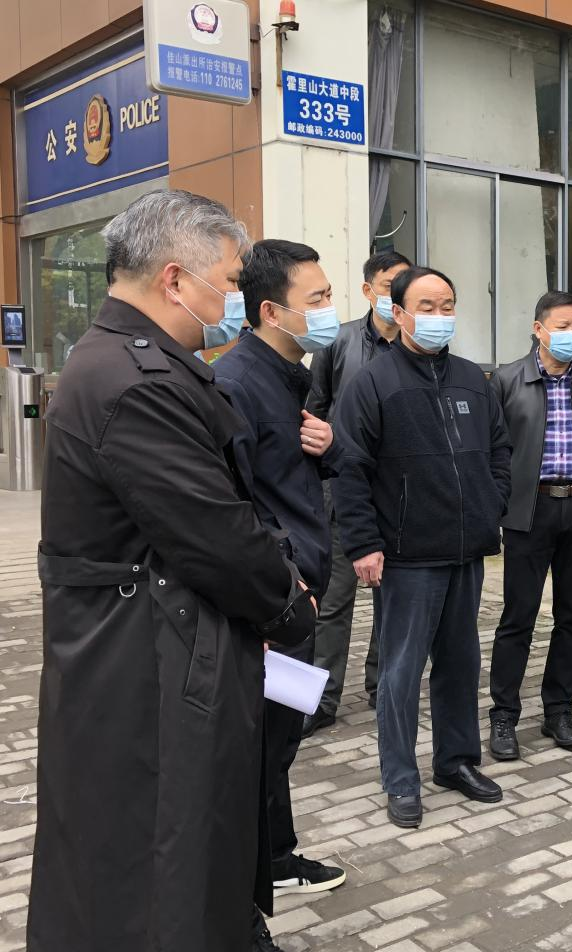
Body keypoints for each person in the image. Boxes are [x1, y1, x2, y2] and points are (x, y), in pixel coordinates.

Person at [27, 189, 316, 952]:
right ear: (176, 279)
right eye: (229, 280)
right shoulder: (134, 380)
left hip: (158, 640)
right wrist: (289, 605)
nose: (234, 299)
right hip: (150, 654)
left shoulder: (131, 361)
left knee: (183, 847)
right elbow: (216, 535)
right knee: (164, 855)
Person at [333, 265, 511, 829]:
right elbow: (349, 468)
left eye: (447, 306)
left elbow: (500, 451)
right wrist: (364, 543)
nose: (439, 316)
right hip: (406, 555)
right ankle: (400, 778)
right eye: (427, 307)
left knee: (460, 664)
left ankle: (456, 762)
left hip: (466, 550)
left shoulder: (472, 379)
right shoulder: (373, 382)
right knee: (401, 673)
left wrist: (490, 504)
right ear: (400, 312)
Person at [214, 239, 347, 950]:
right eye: (316, 299)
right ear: (272, 311)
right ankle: (241, 906)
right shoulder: (236, 382)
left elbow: (290, 477)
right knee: (258, 750)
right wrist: (281, 586)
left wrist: (330, 449)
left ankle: (277, 855)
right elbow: (234, 505)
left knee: (281, 740)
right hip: (276, 605)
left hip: (299, 601)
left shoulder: (293, 375)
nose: (329, 310)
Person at [486, 291, 572, 759]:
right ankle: (504, 715)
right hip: (529, 511)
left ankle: (559, 709)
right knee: (517, 618)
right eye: (562, 326)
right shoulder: (507, 380)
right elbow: (495, 448)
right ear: (539, 329)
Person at [304, 250, 412, 735]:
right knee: (333, 604)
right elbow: (313, 411)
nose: (396, 293)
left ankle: (380, 685)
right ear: (369, 290)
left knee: (393, 603)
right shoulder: (337, 342)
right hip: (343, 494)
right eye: (389, 285)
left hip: (399, 498)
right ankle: (322, 700)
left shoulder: (417, 346)